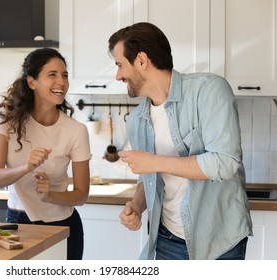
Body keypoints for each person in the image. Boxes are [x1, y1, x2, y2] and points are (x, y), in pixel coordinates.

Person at [108, 22, 253, 260]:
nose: (118, 75)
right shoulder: (136, 120)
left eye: (120, 65)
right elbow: (149, 177)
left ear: (141, 60)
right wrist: (136, 205)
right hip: (167, 240)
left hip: (219, 240)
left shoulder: (208, 90)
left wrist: (154, 162)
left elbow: (225, 162)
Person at [0, 48, 91, 260]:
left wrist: (50, 195)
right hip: (18, 224)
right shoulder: (8, 123)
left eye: (64, 75)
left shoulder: (76, 130)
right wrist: (26, 167)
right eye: (52, 75)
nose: (61, 82)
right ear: (32, 82)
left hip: (63, 227)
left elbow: (81, 194)